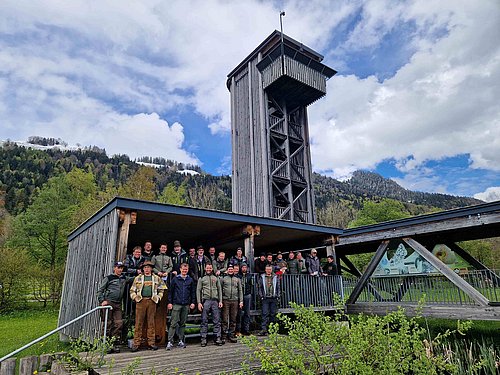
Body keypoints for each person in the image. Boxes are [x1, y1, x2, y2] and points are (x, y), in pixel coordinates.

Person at [129, 261, 166, 352]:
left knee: (151, 323)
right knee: (138, 323)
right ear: (143, 269)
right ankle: (136, 344)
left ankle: (151, 343)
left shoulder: (156, 278)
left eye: (148, 267)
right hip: (141, 302)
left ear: (151, 269)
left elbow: (162, 289)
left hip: (152, 301)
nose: (147, 269)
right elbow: (132, 290)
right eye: (145, 268)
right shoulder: (138, 278)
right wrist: (136, 298)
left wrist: (158, 298)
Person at [97, 261, 127, 353]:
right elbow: (100, 290)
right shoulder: (109, 278)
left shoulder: (123, 278)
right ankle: (105, 345)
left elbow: (135, 279)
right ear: (114, 268)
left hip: (118, 303)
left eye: (121, 268)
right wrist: (102, 300)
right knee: (107, 323)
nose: (120, 270)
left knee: (118, 323)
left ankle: (114, 344)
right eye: (118, 268)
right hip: (108, 302)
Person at [166, 263, 196, 350]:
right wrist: (169, 302)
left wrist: (193, 302)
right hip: (176, 304)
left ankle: (181, 340)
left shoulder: (190, 280)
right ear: (180, 269)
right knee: (173, 323)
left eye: (186, 269)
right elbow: (170, 292)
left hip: (186, 304)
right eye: (183, 269)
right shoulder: (175, 279)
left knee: (182, 324)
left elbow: (192, 292)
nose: (184, 271)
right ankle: (170, 341)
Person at [196, 263, 224, 347]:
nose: (209, 269)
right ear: (205, 268)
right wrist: (199, 302)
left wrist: (220, 301)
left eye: (210, 268)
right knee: (204, 320)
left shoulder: (216, 278)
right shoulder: (201, 279)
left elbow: (219, 290)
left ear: (212, 269)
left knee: (217, 320)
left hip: (215, 301)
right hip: (206, 301)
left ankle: (217, 337)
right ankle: (203, 338)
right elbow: (198, 291)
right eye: (207, 268)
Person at [151, 243, 173, 345]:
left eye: (165, 248)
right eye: (162, 248)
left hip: (165, 278)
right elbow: (152, 266)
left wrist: (167, 272)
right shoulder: (155, 257)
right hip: (157, 278)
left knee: (166, 292)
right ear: (160, 248)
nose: (164, 249)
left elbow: (171, 266)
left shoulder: (169, 258)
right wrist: (158, 272)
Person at [220, 264, 243, 343]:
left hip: (235, 300)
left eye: (232, 270)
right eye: (229, 269)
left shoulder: (237, 279)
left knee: (233, 318)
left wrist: (241, 301)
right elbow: (220, 290)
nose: (230, 271)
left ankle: (232, 334)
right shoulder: (223, 279)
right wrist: (221, 300)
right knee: (225, 319)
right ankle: (223, 335)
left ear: (234, 270)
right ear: (227, 270)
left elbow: (240, 290)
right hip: (226, 300)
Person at [257, 264, 280, 335]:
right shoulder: (262, 277)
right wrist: (261, 296)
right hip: (265, 298)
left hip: (273, 298)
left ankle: (272, 330)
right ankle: (264, 330)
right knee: (264, 314)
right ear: (265, 270)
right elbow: (259, 287)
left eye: (270, 269)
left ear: (272, 269)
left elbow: (278, 287)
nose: (268, 271)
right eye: (267, 269)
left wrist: (277, 295)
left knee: (273, 314)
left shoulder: (275, 277)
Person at [237, 262, 253, 335]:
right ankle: (238, 329)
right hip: (239, 296)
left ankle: (246, 329)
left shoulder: (249, 276)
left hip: (247, 295)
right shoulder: (237, 276)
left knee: (247, 313)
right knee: (239, 313)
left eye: (245, 267)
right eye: (243, 267)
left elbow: (251, 285)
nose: (244, 268)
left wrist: (250, 293)